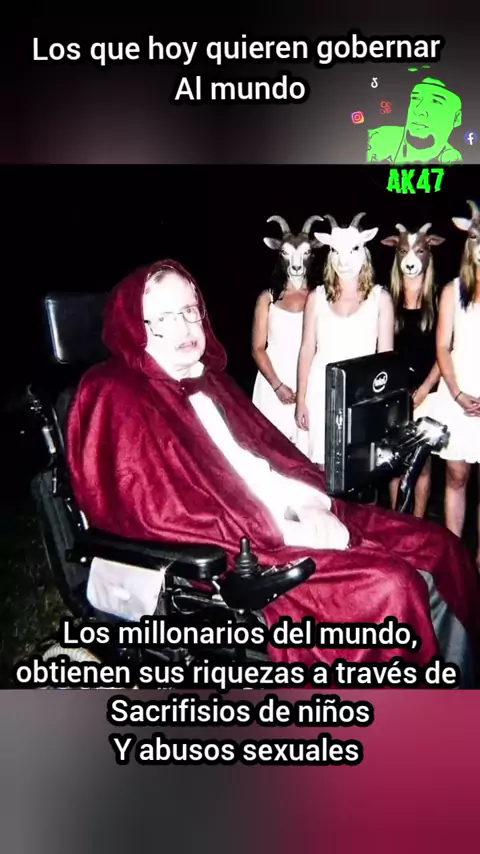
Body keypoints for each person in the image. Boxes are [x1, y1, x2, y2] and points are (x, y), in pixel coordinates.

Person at [66, 258, 480, 680]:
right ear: (133, 327)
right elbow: (159, 515)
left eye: (190, 311)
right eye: (164, 318)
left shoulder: (210, 380)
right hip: (237, 553)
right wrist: (287, 531)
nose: (184, 327)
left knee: (439, 547)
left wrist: (313, 502)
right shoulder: (115, 395)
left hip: (288, 514)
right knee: (390, 586)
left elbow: (271, 459)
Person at [295, 213, 395, 467]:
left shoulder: (380, 299)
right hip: (322, 392)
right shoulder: (316, 298)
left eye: (352, 250)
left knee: (358, 469)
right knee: (321, 468)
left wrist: (381, 406)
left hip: (361, 395)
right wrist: (301, 400)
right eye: (336, 251)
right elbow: (307, 349)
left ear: (364, 250)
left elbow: (385, 358)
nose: (344, 259)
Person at [380, 223, 443, 516]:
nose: (410, 258)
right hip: (394, 393)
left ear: (429, 252)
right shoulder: (385, 298)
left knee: (423, 465)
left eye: (418, 251)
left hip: (428, 393)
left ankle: (417, 525)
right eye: (404, 250)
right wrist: (394, 389)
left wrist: (425, 389)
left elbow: (445, 350)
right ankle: (397, 524)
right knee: (394, 462)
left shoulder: (439, 298)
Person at [434, 203, 480, 567]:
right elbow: (442, 347)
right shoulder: (453, 290)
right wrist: (457, 392)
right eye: (477, 237)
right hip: (459, 391)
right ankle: (454, 558)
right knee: (456, 474)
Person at [252, 215, 322, 442]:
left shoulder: (320, 298)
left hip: (309, 388)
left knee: (306, 450)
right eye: (287, 253)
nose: (296, 262)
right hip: (273, 387)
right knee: (271, 449)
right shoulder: (268, 298)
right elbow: (257, 348)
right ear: (279, 254)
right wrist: (277, 386)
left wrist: (308, 390)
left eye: (304, 253)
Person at [367, 78, 463, 164]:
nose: (418, 110)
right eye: (415, 98)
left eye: (436, 101)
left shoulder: (452, 160)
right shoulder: (377, 138)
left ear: (457, 118)